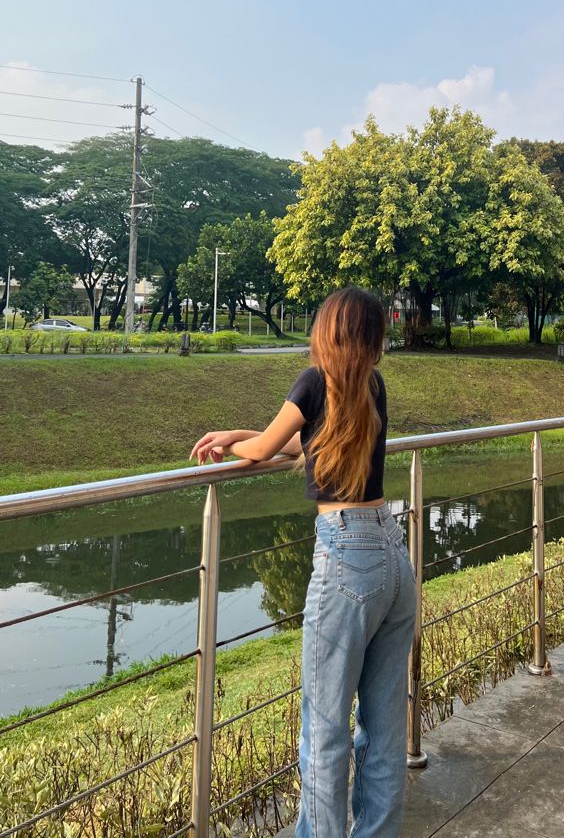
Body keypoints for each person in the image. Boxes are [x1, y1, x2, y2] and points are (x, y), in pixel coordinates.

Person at [190, 286, 416, 838]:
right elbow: (300, 444)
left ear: (327, 330)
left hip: (347, 556)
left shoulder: (315, 381)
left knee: (325, 727)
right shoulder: (370, 385)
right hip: (392, 551)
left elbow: (269, 450)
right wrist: (239, 435)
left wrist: (240, 444)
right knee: (384, 729)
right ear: (372, 336)